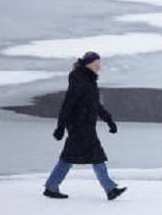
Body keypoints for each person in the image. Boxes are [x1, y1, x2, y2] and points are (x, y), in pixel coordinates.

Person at [43, 51, 127, 201]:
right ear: (88, 64)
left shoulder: (89, 80)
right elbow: (67, 105)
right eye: (97, 64)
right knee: (96, 156)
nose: (99, 67)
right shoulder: (79, 80)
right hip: (78, 126)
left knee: (69, 157)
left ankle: (51, 186)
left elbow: (95, 105)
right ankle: (110, 189)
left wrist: (109, 120)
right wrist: (60, 127)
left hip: (85, 125)